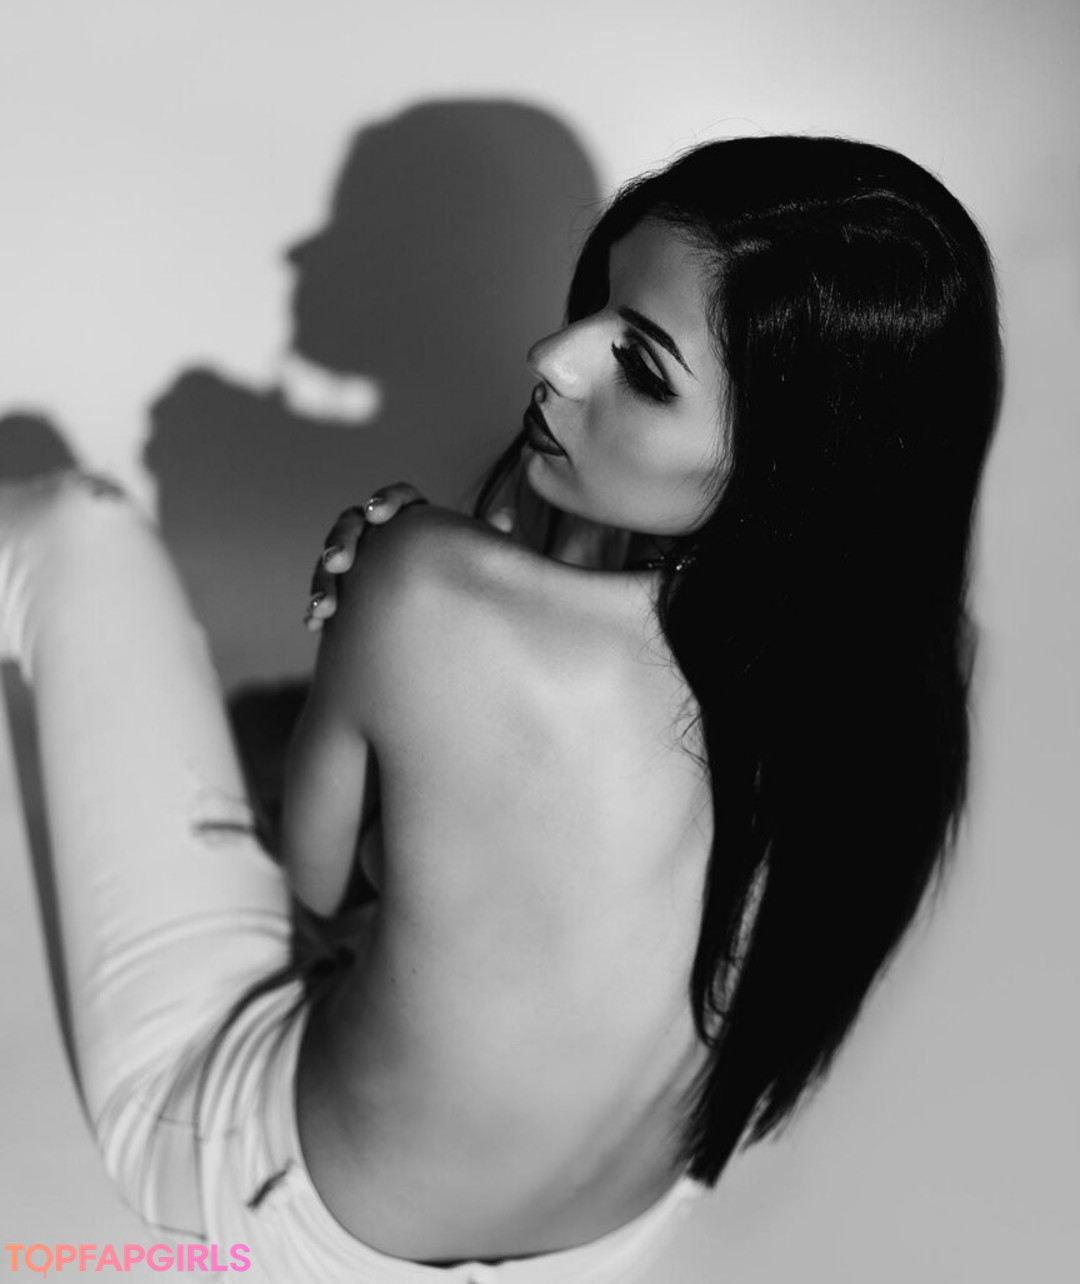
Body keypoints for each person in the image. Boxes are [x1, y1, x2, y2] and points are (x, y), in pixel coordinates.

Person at [0, 134, 1002, 1283]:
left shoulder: (425, 580)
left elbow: (316, 886)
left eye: (643, 366)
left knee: (78, 531)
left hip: (300, 1211)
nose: (552, 358)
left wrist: (375, 618)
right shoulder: (898, 678)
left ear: (787, 461)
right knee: (277, 726)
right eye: (599, 307)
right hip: (603, 1245)